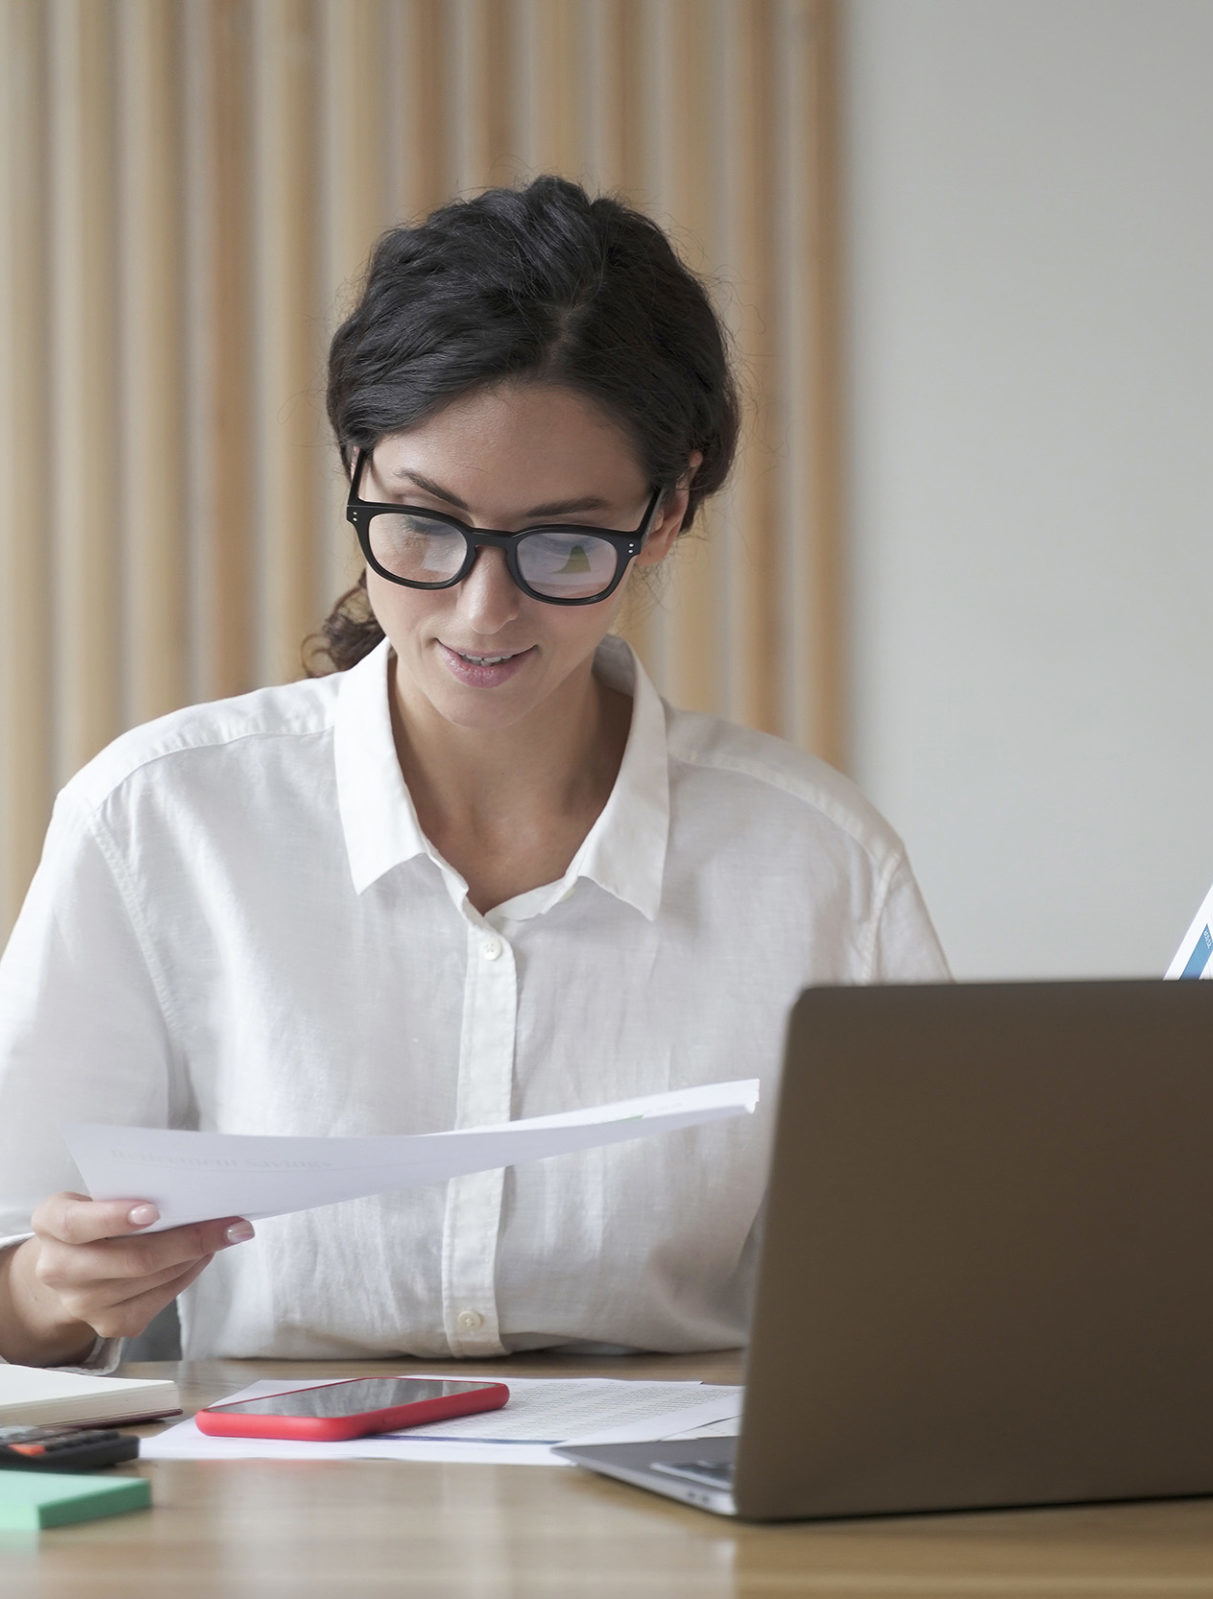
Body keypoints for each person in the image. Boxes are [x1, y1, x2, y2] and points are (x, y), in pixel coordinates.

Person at [0, 176, 947, 1370]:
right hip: (274, 1531)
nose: (482, 611)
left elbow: (926, 1292)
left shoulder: (813, 862)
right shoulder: (162, 820)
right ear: (358, 464)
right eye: (422, 527)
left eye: (564, 543)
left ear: (664, 513)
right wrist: (57, 1284)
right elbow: (11, 1282)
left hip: (681, 1537)